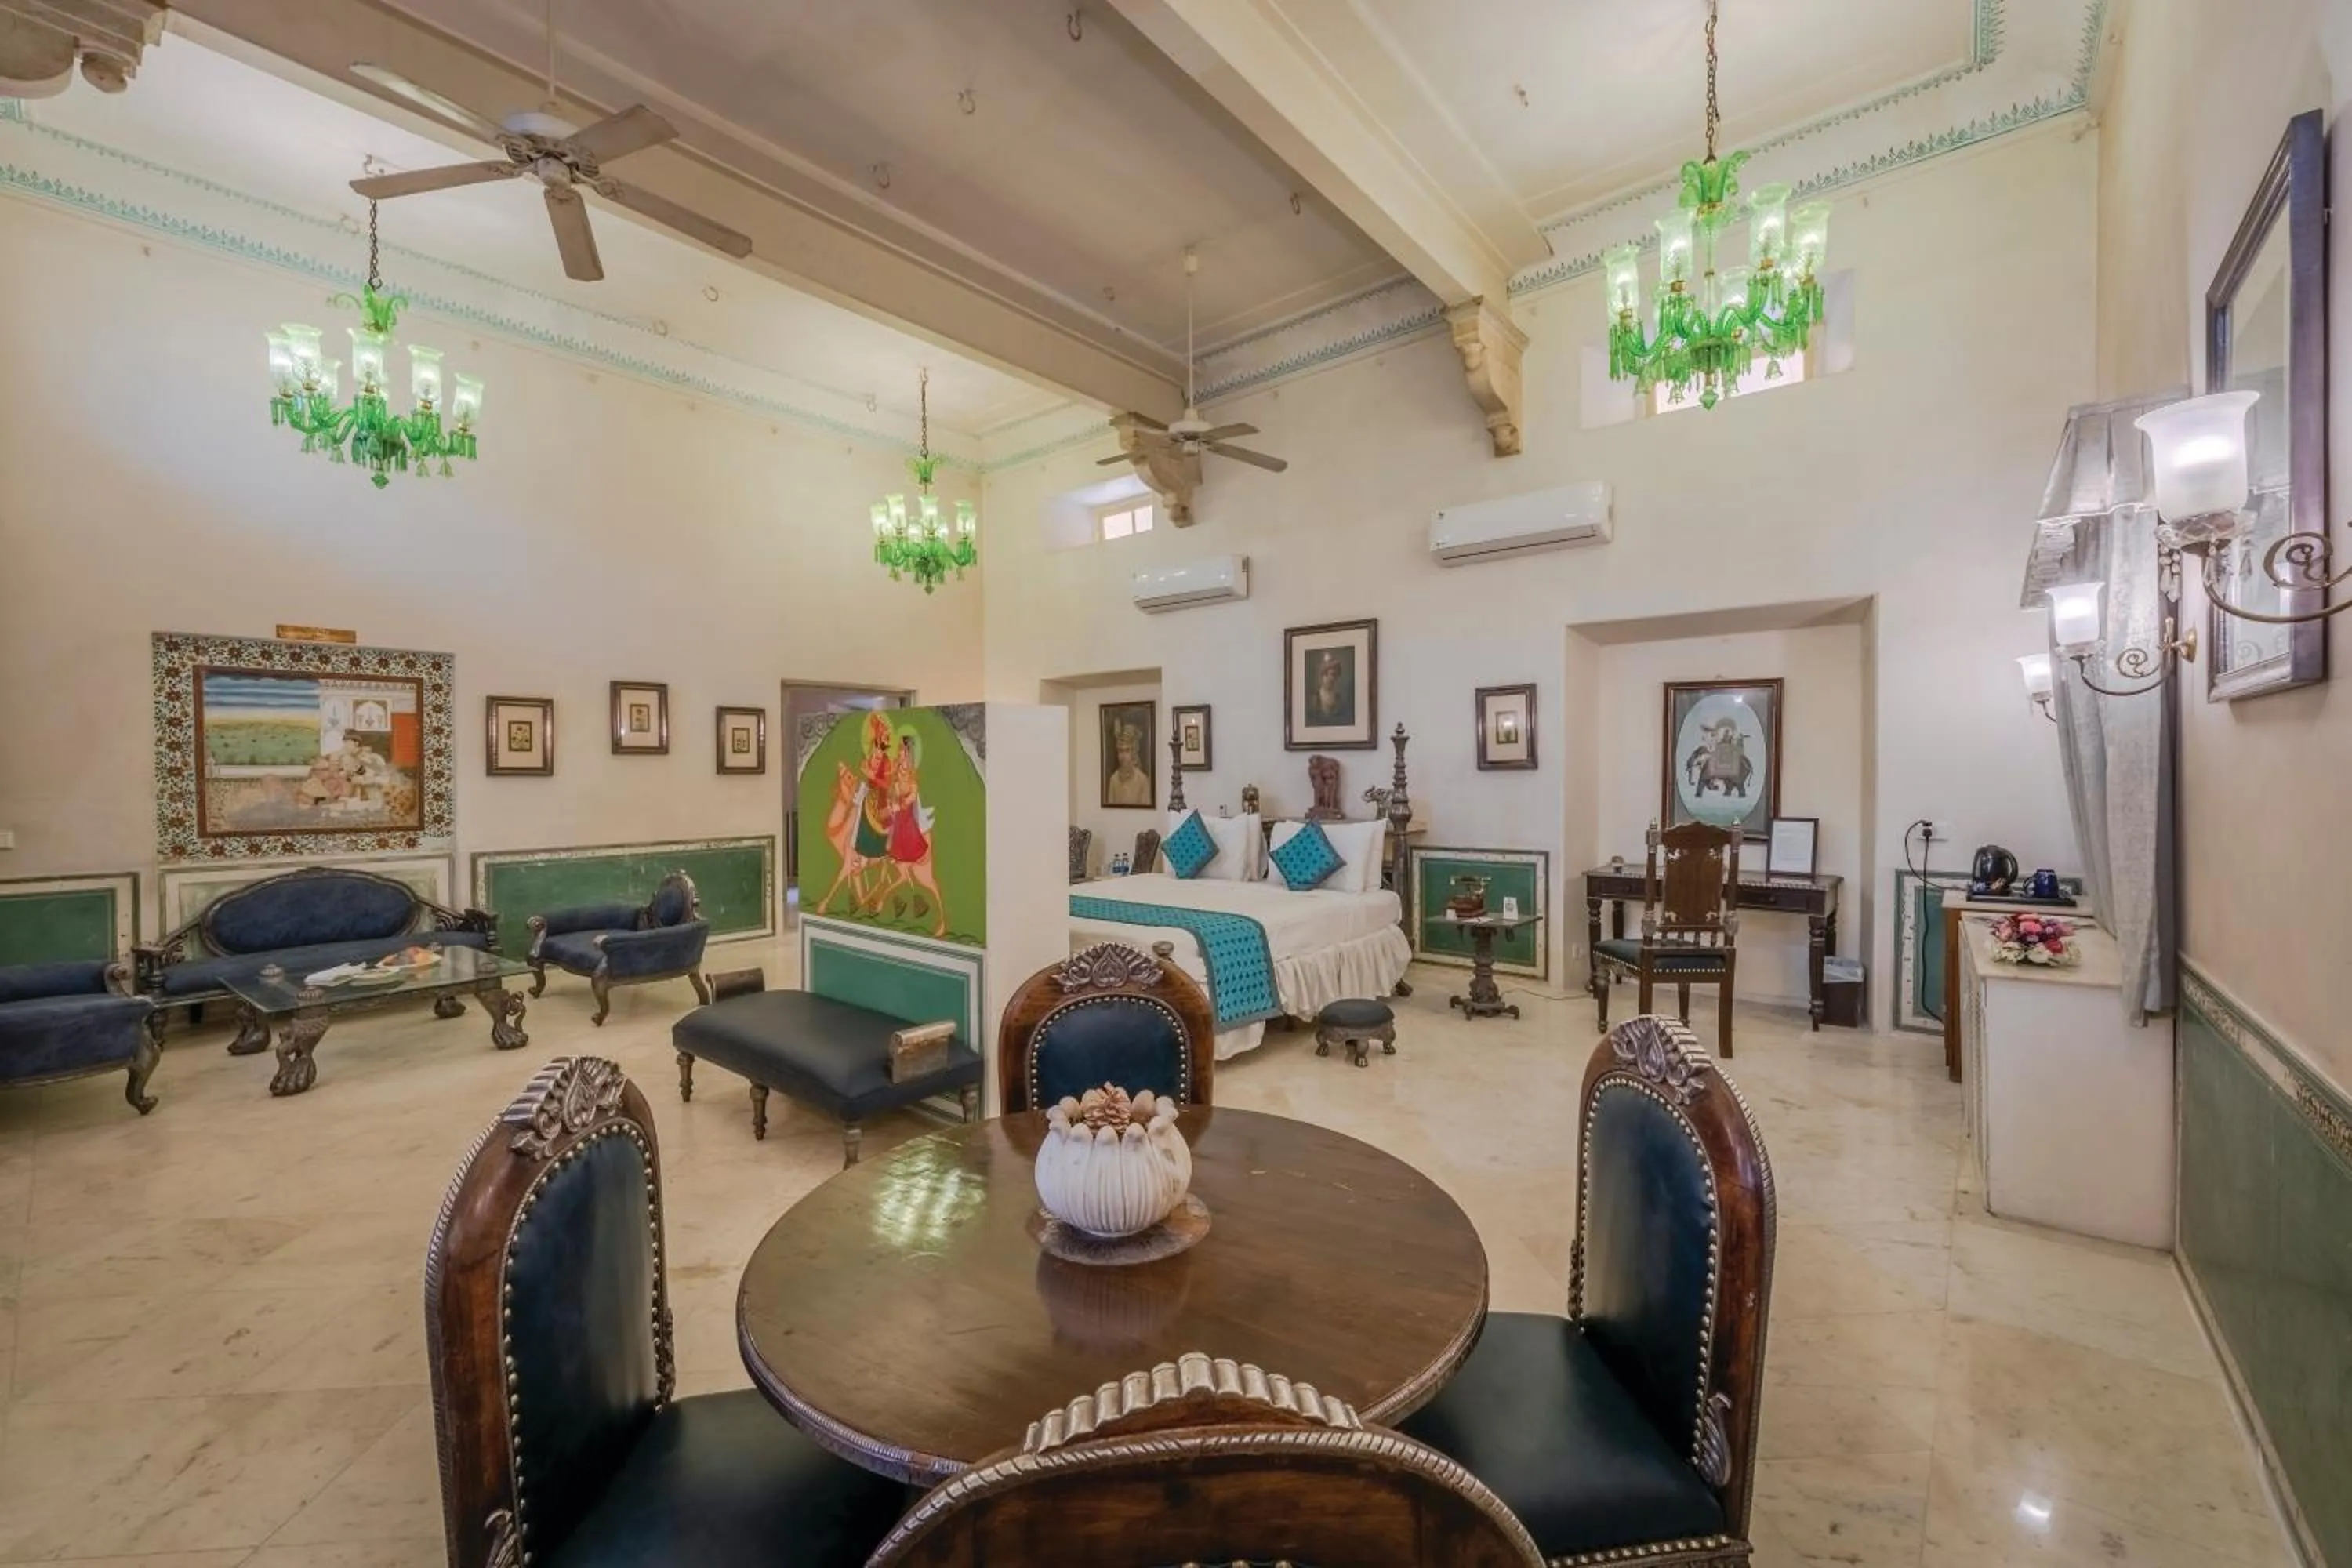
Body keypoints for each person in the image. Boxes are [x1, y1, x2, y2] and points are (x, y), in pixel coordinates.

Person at [1103, 720, 1152, 806]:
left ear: (1133, 752)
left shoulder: (1142, 780)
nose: (1123, 756)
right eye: (1120, 751)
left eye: (1127, 750)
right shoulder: (1114, 779)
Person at [1306, 650, 1352, 726]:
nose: (1331, 679)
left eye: (1334, 675)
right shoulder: (1314, 698)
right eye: (1329, 674)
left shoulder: (1339, 699)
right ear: (1323, 676)